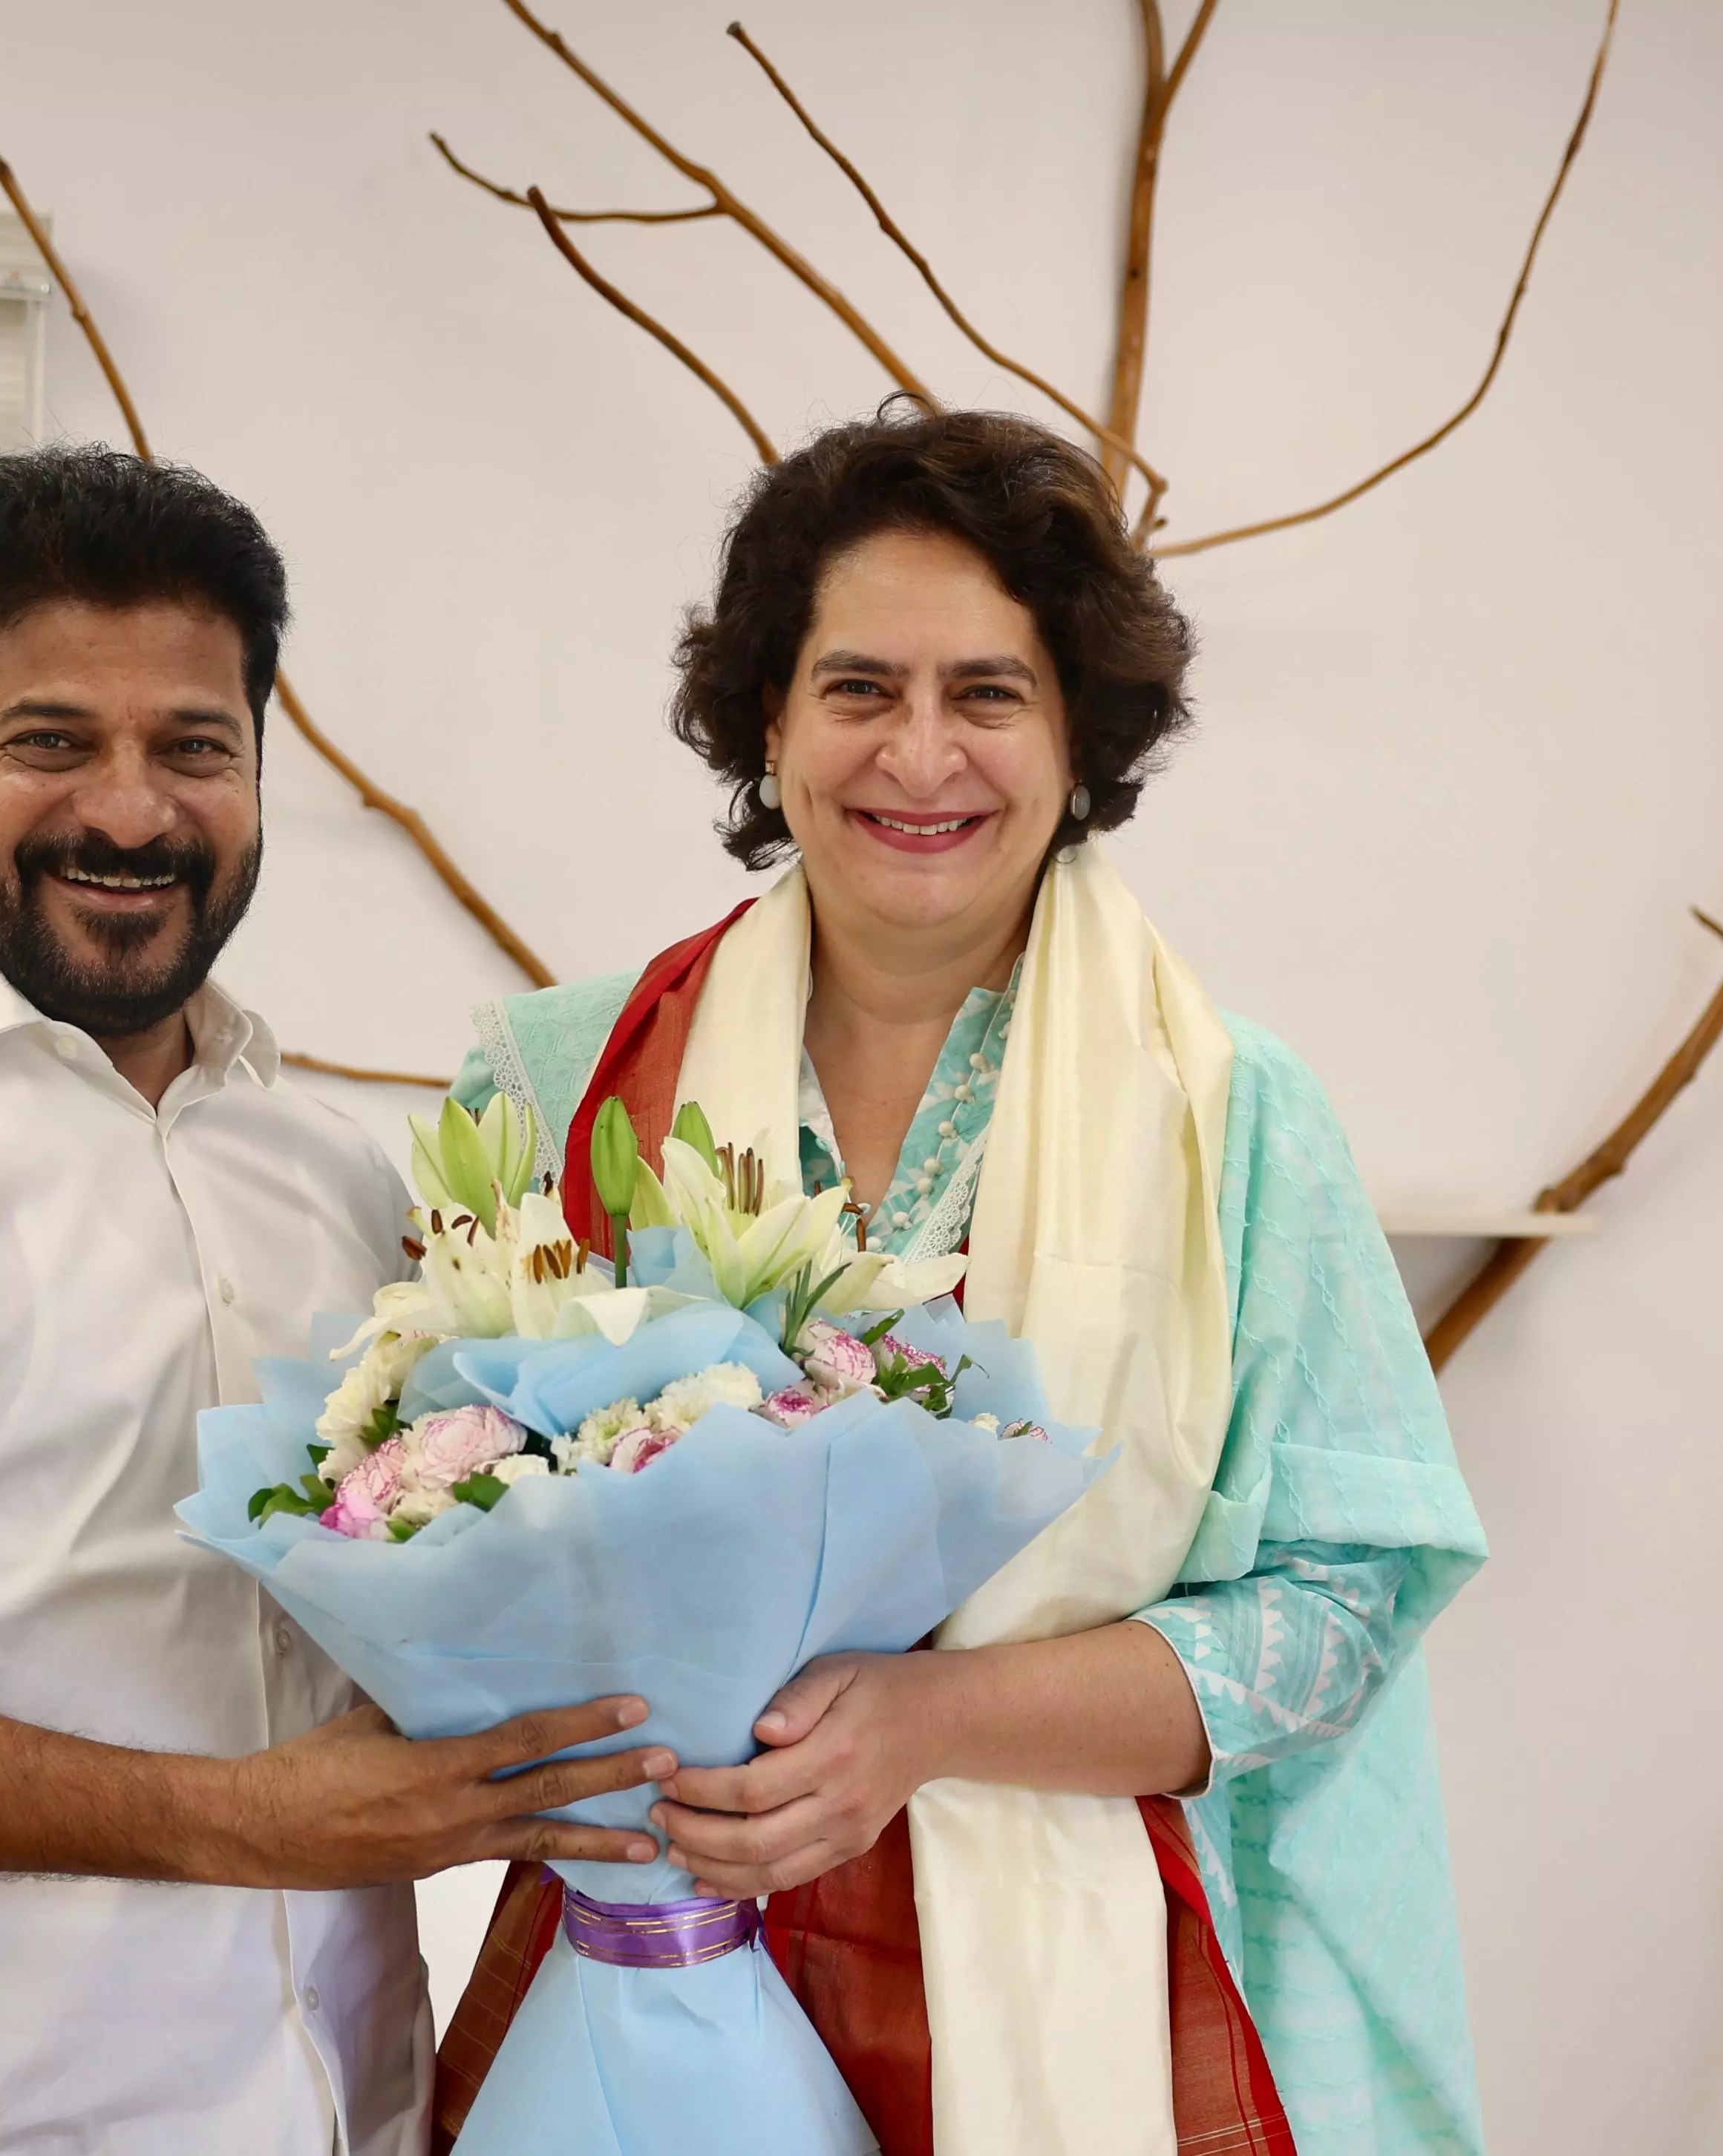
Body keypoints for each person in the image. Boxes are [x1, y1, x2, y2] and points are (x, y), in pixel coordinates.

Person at [0, 446, 672, 2156]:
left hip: (353, 2112)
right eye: (49, 741)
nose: (130, 808)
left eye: (193, 747)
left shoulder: (334, 1173)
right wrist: (252, 1824)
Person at [434, 407, 1488, 2156]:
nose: (917, 754)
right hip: (653, 1938)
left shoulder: (1227, 1117)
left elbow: (1344, 1602)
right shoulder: (557, 1081)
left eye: (986, 693)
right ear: (764, 722)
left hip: (1089, 1970)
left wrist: (928, 1722)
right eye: (856, 688)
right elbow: (432, 1522)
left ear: (1078, 739)